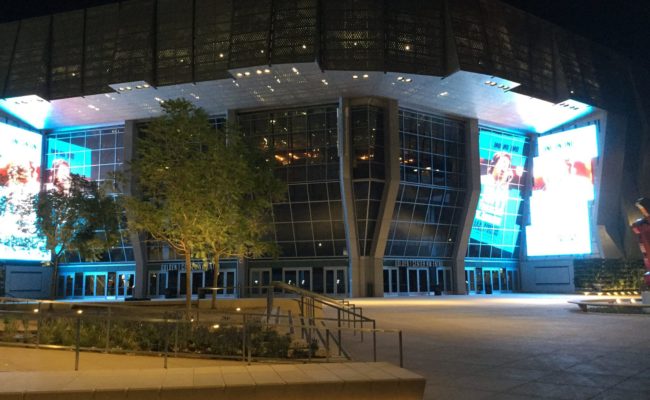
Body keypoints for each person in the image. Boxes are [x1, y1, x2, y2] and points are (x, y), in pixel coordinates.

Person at [631, 197, 650, 287]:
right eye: (641, 209)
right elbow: (635, 227)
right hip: (646, 246)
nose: (642, 211)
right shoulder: (642, 223)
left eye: (643, 208)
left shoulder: (644, 223)